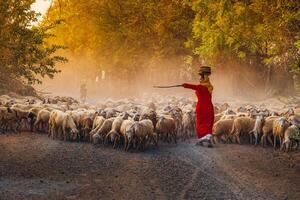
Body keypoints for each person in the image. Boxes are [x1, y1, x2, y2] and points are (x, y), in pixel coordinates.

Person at [182, 66, 214, 147]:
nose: (199, 79)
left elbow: (192, 86)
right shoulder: (210, 86)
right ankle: (209, 139)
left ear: (203, 79)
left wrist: (184, 85)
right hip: (209, 107)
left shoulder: (200, 87)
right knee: (208, 123)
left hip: (201, 108)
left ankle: (200, 140)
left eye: (200, 78)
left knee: (200, 123)